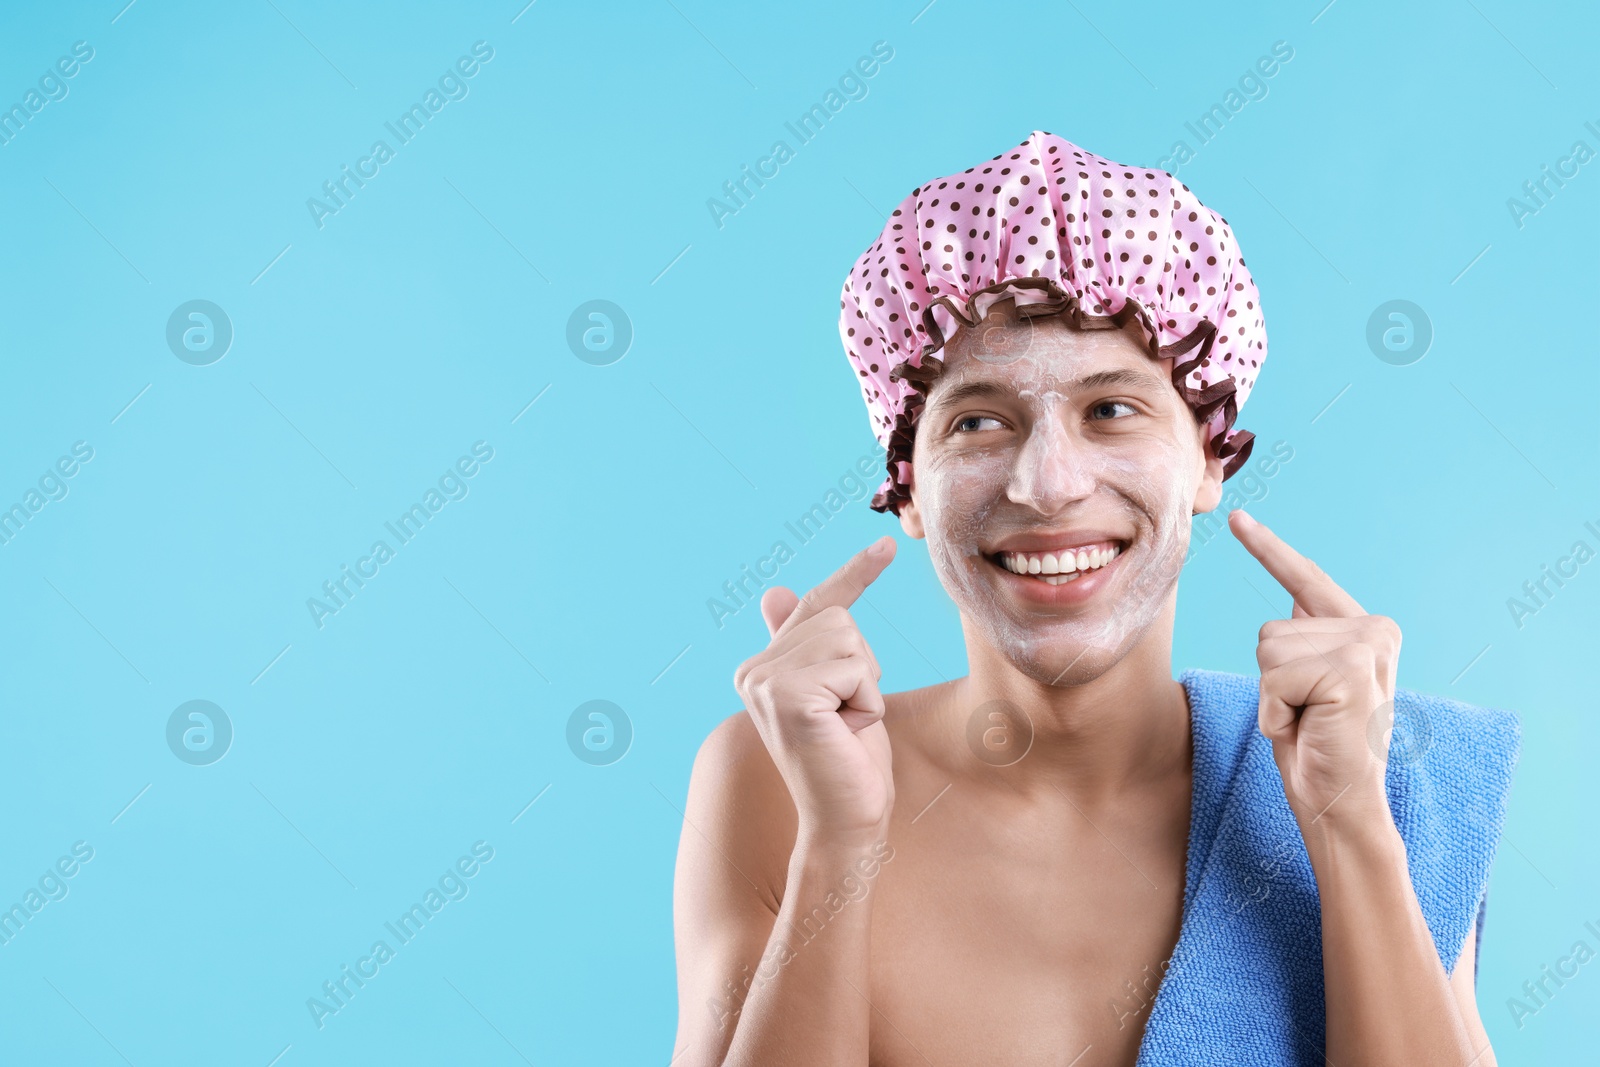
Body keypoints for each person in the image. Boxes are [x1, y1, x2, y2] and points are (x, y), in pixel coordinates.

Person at [669, 131, 1512, 1066]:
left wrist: (1353, 824)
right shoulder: (777, 776)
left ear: (1207, 457)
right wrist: (836, 844)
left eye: (1111, 408)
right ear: (907, 488)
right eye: (980, 420)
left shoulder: (1392, 782)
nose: (1046, 483)